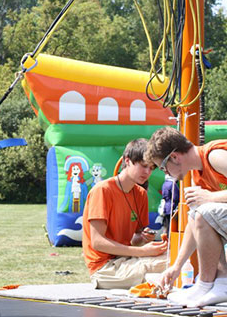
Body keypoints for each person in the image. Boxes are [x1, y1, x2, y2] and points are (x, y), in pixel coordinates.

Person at [145, 126, 227, 307]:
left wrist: (210, 197)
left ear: (174, 157)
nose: (166, 174)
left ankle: (212, 283)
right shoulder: (198, 175)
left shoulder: (214, 156)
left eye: (164, 169)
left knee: (204, 211)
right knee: (199, 212)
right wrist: (176, 266)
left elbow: (205, 213)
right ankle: (213, 283)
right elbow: (195, 222)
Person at [82, 138, 168, 289]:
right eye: (143, 166)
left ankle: (153, 281)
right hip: (104, 270)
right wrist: (142, 251)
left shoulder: (141, 193)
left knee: (177, 258)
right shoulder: (102, 190)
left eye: (151, 168)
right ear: (127, 161)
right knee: (172, 264)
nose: (147, 172)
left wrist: (143, 238)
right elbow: (98, 242)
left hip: (127, 260)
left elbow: (134, 240)